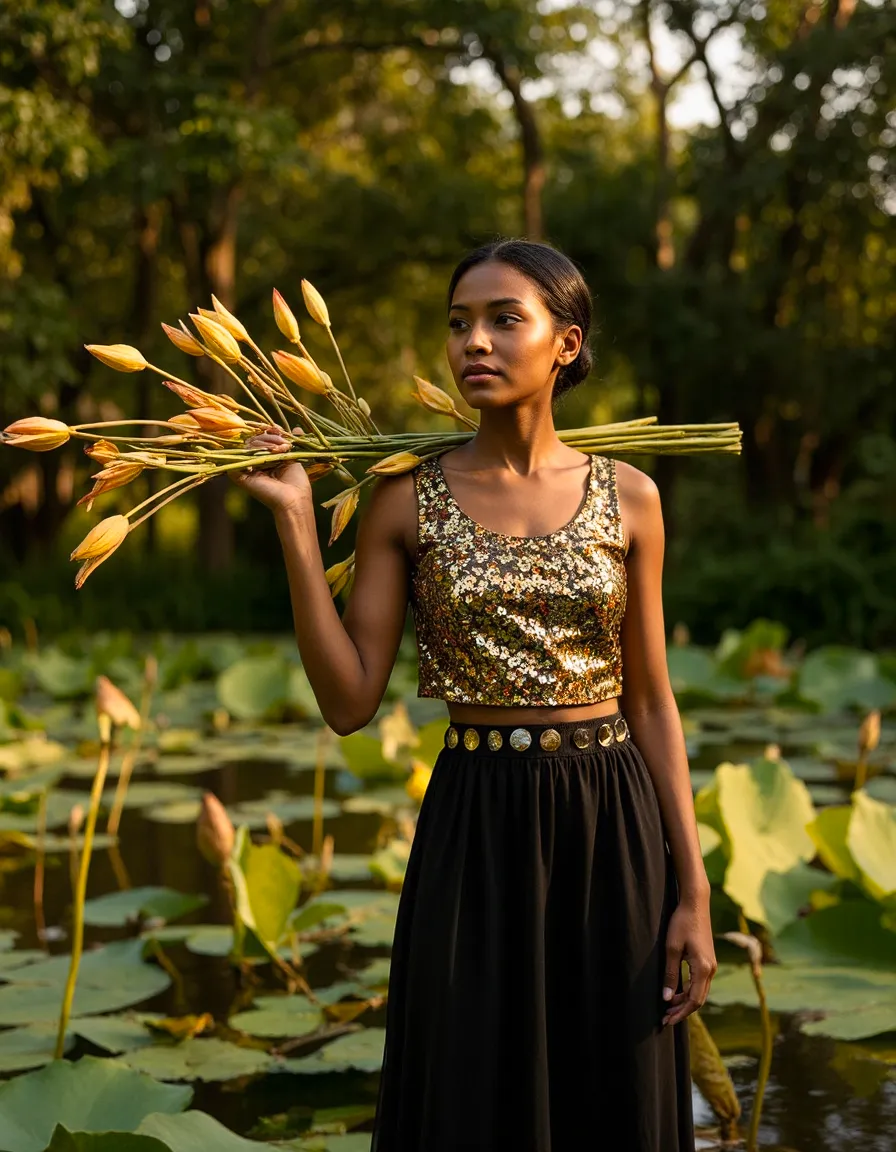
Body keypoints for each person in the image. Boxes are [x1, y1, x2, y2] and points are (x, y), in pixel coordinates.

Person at [232, 239, 716, 1151]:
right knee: (467, 1099)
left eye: (504, 320)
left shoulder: (635, 497)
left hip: (612, 825)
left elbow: (652, 702)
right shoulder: (404, 499)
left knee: (610, 1098)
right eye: (459, 324)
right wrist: (297, 526)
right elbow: (348, 702)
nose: (474, 344)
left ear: (565, 344)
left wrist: (691, 887)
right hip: (473, 828)